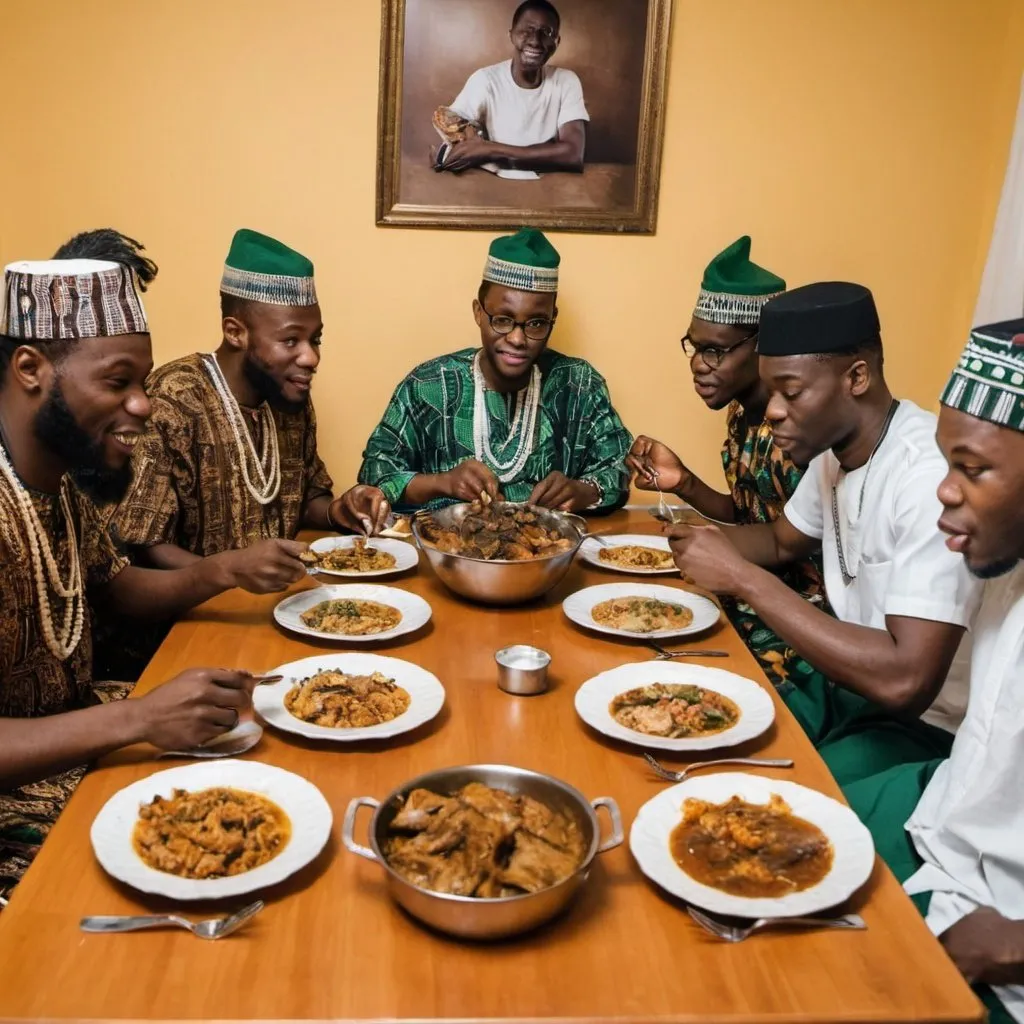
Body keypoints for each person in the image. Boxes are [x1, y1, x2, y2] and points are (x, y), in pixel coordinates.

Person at [0, 257, 266, 903]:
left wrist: (223, 569)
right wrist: (137, 718)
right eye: (118, 382)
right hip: (15, 816)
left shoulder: (56, 479)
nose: (143, 405)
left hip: (80, 737)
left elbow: (117, 584)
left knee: (262, 760)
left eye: (142, 381)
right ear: (31, 369)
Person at [668, 282, 983, 785]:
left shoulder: (928, 479)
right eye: (770, 392)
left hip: (927, 727)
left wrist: (744, 581)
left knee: (771, 804)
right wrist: (681, 545)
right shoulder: (833, 452)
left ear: (856, 377)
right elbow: (778, 541)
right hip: (850, 688)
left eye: (790, 393)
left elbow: (907, 682)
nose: (771, 411)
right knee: (698, 724)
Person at [845, 320, 1024, 1024]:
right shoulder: (1003, 564)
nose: (943, 492)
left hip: (997, 931)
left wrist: (1010, 945)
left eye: (972, 469)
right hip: (944, 831)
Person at [107, 227, 387, 564]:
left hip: (279, 601)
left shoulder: (288, 394)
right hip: (192, 613)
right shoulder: (172, 400)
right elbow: (144, 544)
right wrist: (235, 578)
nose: (311, 357)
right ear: (235, 332)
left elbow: (308, 497)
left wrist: (341, 510)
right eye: (290, 340)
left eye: (315, 339)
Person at [627, 236, 831, 694]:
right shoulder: (741, 415)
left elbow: (786, 546)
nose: (699, 365)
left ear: (762, 346)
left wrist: (707, 544)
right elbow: (752, 518)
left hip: (802, 614)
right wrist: (684, 484)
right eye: (695, 347)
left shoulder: (799, 430)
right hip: (752, 587)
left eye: (716, 351)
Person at [358, 227, 631, 512]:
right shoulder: (429, 384)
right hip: (445, 552)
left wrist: (583, 491)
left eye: (536, 323)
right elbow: (374, 476)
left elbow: (620, 472)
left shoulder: (579, 384)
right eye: (502, 319)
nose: (517, 338)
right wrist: (442, 482)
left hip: (550, 552)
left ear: (553, 319)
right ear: (478, 312)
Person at [434, 0, 587, 179]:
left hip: (548, 186)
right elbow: (451, 138)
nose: (536, 41)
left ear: (557, 41)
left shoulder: (566, 81)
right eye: (527, 30)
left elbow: (572, 155)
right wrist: (548, 151)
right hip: (494, 186)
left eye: (547, 33)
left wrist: (489, 150)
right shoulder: (485, 80)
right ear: (512, 35)